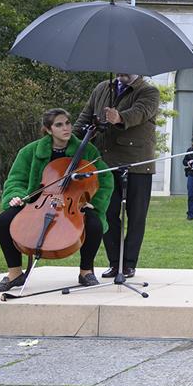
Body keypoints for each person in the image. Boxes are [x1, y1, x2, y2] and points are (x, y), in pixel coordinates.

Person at [0, 108, 114, 293]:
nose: (66, 128)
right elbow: (16, 179)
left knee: (94, 223)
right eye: (59, 125)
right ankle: (14, 273)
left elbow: (105, 178)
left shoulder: (86, 150)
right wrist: (15, 195)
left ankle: (86, 271)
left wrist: (94, 202)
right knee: (4, 220)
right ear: (48, 129)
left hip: (74, 203)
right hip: (37, 201)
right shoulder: (30, 151)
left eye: (67, 123)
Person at [75, 72, 160, 279]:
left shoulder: (149, 91)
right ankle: (115, 263)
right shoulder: (102, 88)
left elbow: (140, 112)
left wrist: (119, 117)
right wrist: (70, 142)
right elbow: (84, 117)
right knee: (107, 214)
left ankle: (129, 264)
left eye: (127, 67)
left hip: (137, 165)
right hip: (105, 165)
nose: (121, 70)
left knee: (136, 216)